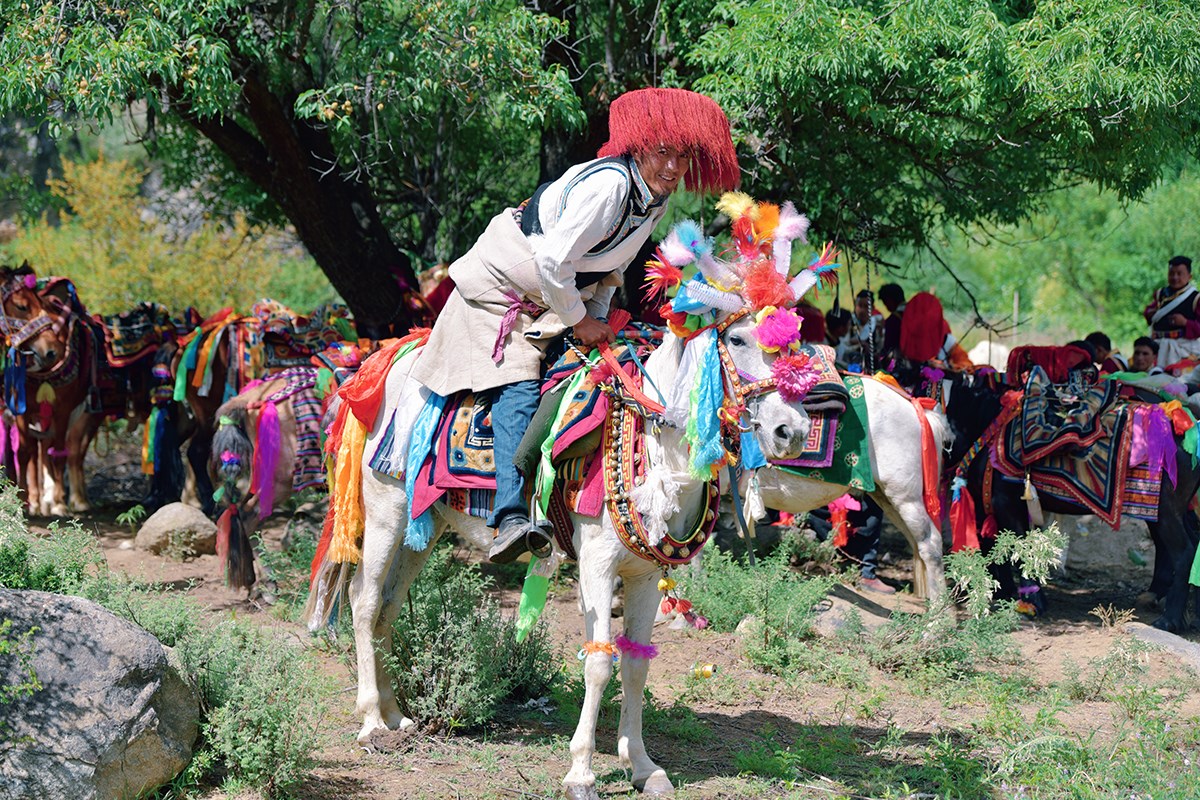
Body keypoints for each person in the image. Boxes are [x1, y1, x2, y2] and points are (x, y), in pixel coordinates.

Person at [408, 88, 740, 563]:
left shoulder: (655, 200)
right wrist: (581, 320)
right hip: (501, 296)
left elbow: (608, 268)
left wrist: (599, 319)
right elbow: (551, 259)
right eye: (663, 152)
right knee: (519, 386)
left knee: (594, 379)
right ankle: (510, 517)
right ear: (640, 146)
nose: (672, 167)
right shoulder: (611, 186)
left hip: (555, 300)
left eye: (683, 156)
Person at [1144, 255, 1200, 369]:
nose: (1175, 277)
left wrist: (1185, 323)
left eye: (1179, 274)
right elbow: (1149, 311)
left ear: (1189, 276)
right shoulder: (1161, 294)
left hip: (1182, 349)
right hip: (1158, 345)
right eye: (1171, 273)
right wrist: (1150, 313)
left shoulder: (1196, 298)